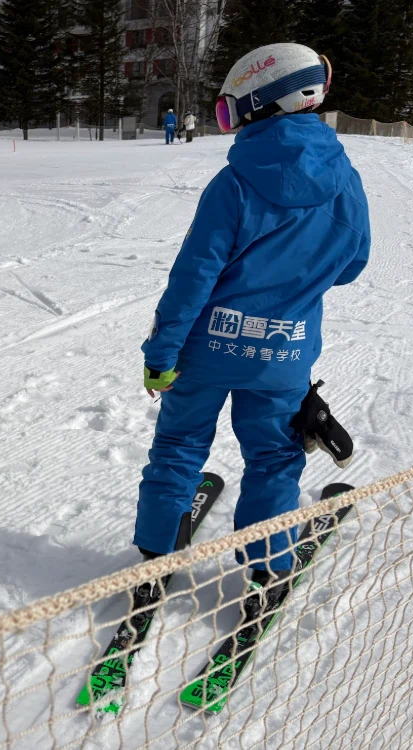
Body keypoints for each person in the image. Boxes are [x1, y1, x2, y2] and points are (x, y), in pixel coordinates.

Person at [136, 43, 369, 621]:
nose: (229, 123)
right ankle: (267, 566)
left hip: (204, 353)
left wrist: (161, 354)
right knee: (273, 457)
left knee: (178, 448)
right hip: (281, 354)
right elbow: (354, 262)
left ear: (264, 105)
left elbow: (193, 278)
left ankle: (154, 557)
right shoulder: (345, 181)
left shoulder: (233, 183)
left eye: (230, 111)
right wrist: (293, 287)